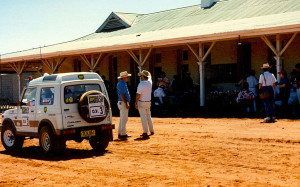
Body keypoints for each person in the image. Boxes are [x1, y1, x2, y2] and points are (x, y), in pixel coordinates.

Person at [135, 70, 154, 139]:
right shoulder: (149, 83)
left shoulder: (141, 84)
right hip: (148, 101)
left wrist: (136, 102)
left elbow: (138, 94)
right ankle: (151, 130)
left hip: (142, 102)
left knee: (143, 117)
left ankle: (145, 132)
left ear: (143, 76)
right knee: (148, 116)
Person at [116, 71, 131, 139]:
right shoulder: (122, 84)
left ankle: (120, 133)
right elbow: (122, 95)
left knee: (122, 119)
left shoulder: (121, 83)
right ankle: (123, 134)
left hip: (121, 102)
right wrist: (126, 103)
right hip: (123, 102)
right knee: (124, 119)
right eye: (127, 77)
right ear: (124, 77)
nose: (127, 78)